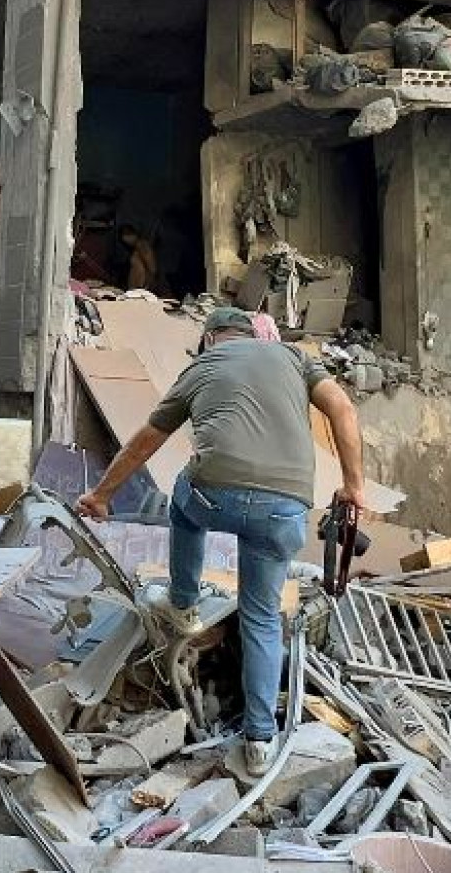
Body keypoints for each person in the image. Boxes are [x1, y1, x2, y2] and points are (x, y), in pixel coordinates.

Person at [77, 306, 369, 779]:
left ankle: (185, 605)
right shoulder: (293, 357)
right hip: (283, 510)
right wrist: (355, 485)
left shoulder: (202, 366)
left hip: (215, 497)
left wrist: (102, 494)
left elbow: (149, 437)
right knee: (261, 618)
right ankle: (259, 741)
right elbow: (342, 407)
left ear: (211, 339)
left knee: (180, 502)